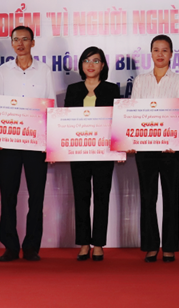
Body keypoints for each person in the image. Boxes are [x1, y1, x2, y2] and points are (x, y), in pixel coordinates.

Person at [0, 26, 56, 262]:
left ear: (33, 42)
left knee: (36, 197)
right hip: (9, 142)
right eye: (16, 40)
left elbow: (51, 105)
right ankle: (10, 246)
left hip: (36, 143)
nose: (20, 44)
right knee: (7, 196)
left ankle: (31, 247)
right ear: (11, 43)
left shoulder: (44, 71)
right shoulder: (3, 72)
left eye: (25, 39)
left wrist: (50, 143)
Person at [130, 35, 179, 263]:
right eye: (156, 50)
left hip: (170, 148)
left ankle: (170, 246)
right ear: (151, 53)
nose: (160, 54)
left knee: (171, 196)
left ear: (171, 54)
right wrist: (132, 140)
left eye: (165, 50)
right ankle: (151, 245)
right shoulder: (140, 81)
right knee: (148, 197)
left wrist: (176, 141)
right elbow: (134, 113)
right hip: (145, 148)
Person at [64, 46, 120, 262]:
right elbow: (65, 122)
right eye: (87, 60)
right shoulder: (73, 90)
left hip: (104, 152)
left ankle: (98, 244)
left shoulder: (112, 90)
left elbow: (118, 122)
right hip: (78, 151)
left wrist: (120, 147)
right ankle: (84, 243)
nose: (91, 65)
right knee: (81, 197)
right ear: (81, 65)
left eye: (96, 61)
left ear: (103, 65)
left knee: (101, 197)